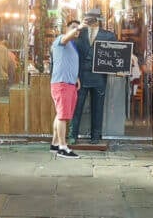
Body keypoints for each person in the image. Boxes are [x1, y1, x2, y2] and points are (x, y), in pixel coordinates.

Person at [68, 8, 117, 144]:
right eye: (88, 18)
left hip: (99, 76)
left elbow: (116, 55)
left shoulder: (108, 36)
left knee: (98, 107)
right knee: (77, 107)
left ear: (98, 20)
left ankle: (96, 136)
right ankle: (73, 135)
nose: (90, 20)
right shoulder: (78, 33)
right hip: (81, 75)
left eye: (92, 18)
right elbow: (70, 49)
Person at [50, 19, 82, 158]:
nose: (77, 30)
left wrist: (76, 77)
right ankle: (62, 147)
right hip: (62, 83)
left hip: (69, 83)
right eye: (73, 27)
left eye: (78, 28)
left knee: (60, 115)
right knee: (63, 116)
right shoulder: (60, 40)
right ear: (67, 28)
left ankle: (55, 143)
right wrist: (80, 26)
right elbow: (66, 37)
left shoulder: (72, 46)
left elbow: (68, 63)